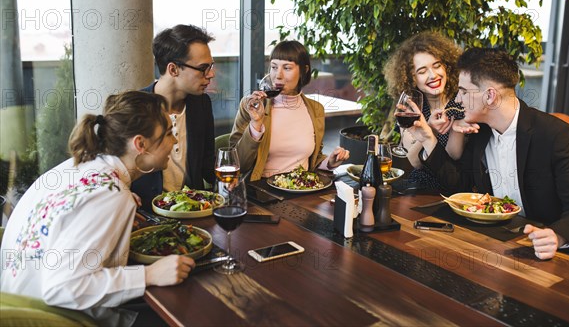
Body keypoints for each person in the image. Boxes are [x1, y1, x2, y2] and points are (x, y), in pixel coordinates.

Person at [0, 91, 195, 309]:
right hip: (46, 315)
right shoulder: (110, 193)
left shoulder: (82, 166)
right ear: (140, 144)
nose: (175, 140)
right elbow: (63, 287)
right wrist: (148, 275)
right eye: (168, 133)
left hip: (14, 299)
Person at [409, 48, 569, 259]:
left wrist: (557, 237)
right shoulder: (479, 131)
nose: (458, 100)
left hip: (541, 255)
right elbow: (459, 186)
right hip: (492, 245)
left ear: (490, 96)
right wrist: (428, 139)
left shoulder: (554, 135)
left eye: (463, 92)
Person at [230, 40, 349, 180]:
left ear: (304, 71)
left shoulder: (316, 109)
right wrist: (255, 124)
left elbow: (313, 158)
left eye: (287, 68)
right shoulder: (251, 106)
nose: (278, 75)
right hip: (262, 192)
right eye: (274, 67)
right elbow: (237, 164)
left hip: (301, 190)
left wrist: (329, 162)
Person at [132, 24, 216, 209]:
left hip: (194, 213)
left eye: (210, 66)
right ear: (173, 69)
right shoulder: (136, 109)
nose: (211, 74)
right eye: (203, 68)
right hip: (147, 217)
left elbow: (209, 167)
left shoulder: (202, 104)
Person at [382, 31, 465, 188]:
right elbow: (414, 161)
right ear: (411, 78)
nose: (433, 75)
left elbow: (453, 155)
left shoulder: (459, 103)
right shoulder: (411, 108)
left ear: (447, 66)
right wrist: (429, 128)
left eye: (437, 66)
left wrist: (427, 134)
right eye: (422, 71)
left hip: (452, 187)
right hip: (418, 187)